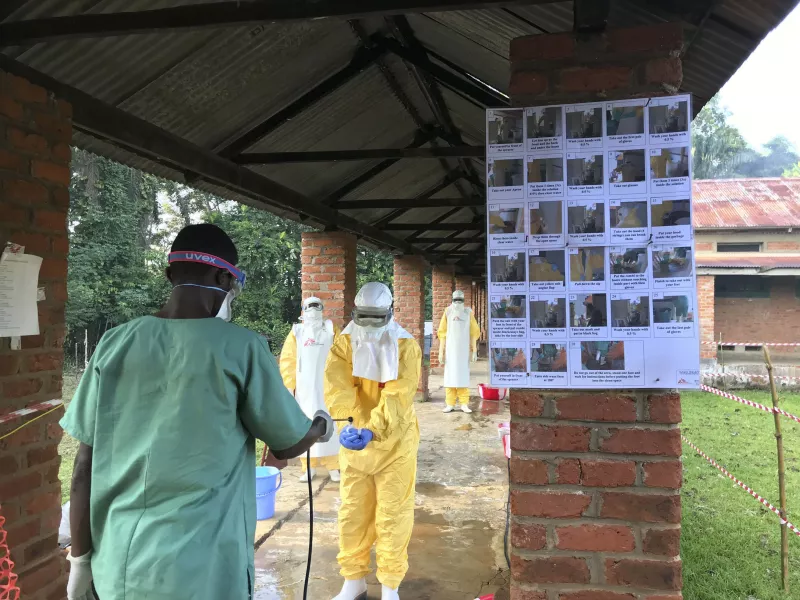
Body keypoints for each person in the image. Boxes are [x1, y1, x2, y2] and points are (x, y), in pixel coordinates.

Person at [60, 224, 332, 600]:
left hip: (120, 567)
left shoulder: (115, 343)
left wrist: (80, 560)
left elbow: (83, 467)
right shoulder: (242, 348)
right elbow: (288, 443)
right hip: (205, 570)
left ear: (170, 274)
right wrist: (320, 425)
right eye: (233, 283)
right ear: (224, 277)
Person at [325, 282, 421, 600]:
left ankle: (390, 585)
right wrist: (348, 424)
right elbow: (338, 385)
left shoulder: (406, 346)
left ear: (389, 313)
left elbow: (398, 394)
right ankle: (354, 582)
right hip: (356, 445)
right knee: (353, 512)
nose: (368, 323)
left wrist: (374, 428)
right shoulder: (345, 342)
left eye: (375, 317)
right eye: (363, 316)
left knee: (393, 513)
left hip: (395, 443)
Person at [279, 297, 341, 482]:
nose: (313, 311)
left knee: (331, 424)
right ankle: (308, 467)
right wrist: (289, 386)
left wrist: (340, 382)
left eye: (316, 307)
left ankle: (333, 466)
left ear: (322, 309)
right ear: (303, 312)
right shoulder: (297, 332)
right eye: (309, 307)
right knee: (306, 425)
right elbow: (288, 360)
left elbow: (341, 355)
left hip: (328, 386)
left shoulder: (331, 330)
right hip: (304, 389)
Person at [438, 290, 481, 414]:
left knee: (462, 377)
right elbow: (442, 333)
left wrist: (474, 350)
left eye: (460, 300)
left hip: (463, 351)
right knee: (450, 377)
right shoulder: (448, 312)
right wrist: (441, 351)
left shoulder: (468, 312)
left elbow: (474, 332)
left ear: (463, 300)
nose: (457, 302)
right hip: (451, 351)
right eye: (455, 300)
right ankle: (450, 403)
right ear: (452, 299)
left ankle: (464, 403)